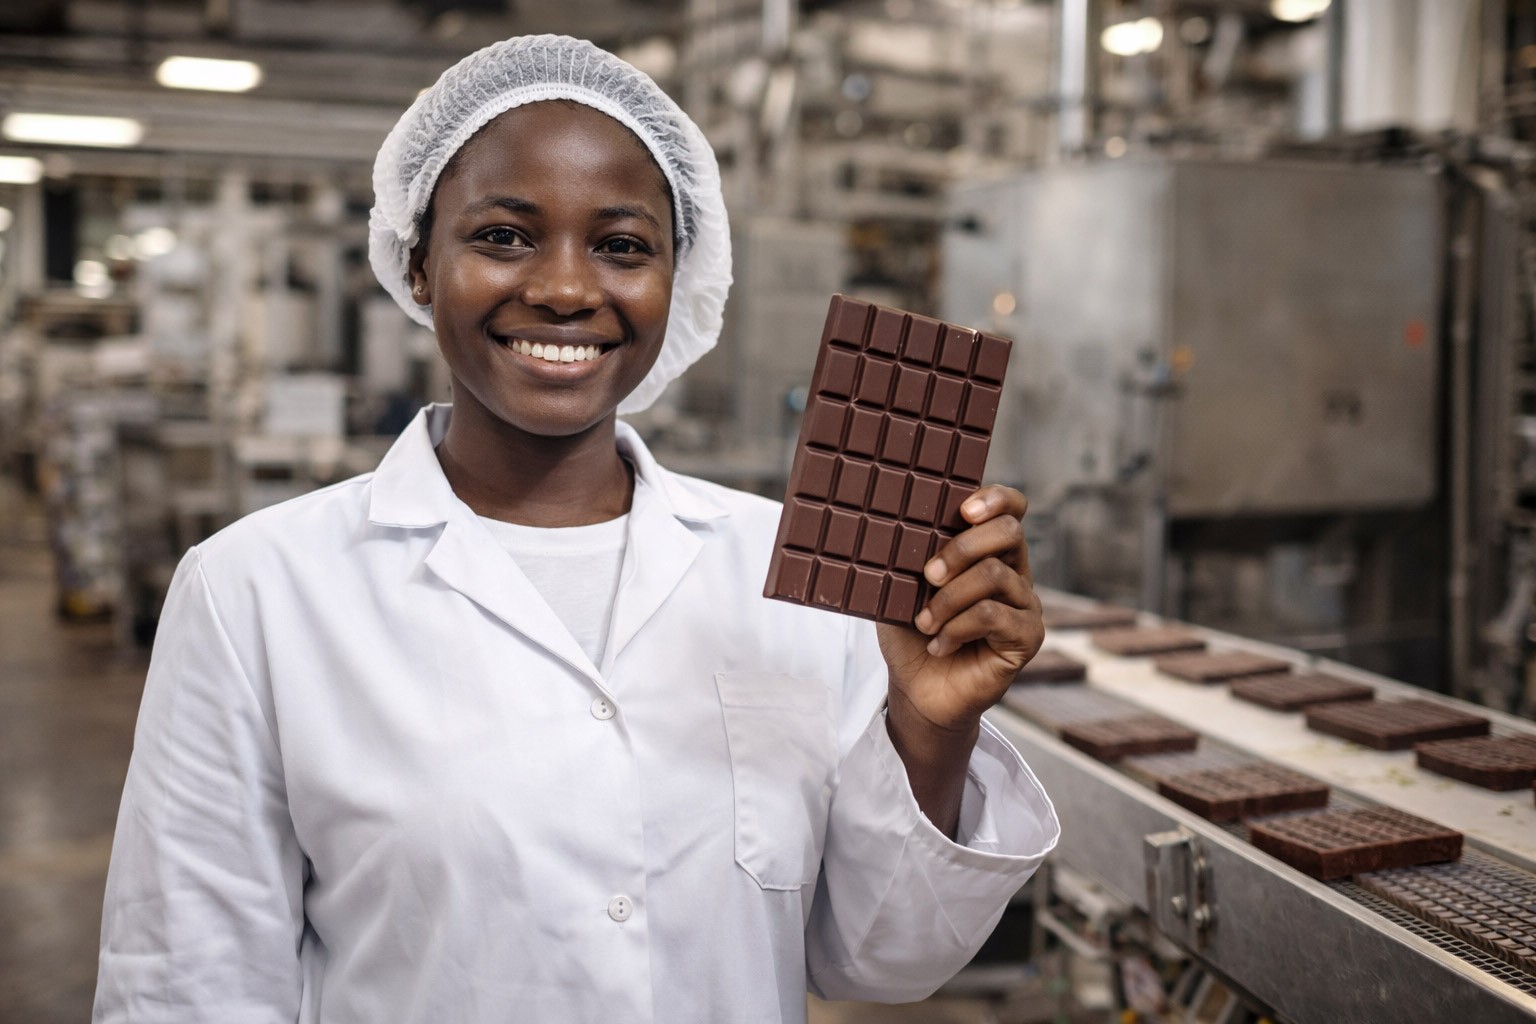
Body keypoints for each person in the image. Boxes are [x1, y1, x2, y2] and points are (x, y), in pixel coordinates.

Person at [93, 34, 1059, 1024]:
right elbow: (186, 989)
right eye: (504, 235)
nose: (564, 287)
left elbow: (877, 961)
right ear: (419, 264)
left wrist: (936, 729)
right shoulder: (257, 591)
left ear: (676, 277)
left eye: (622, 244)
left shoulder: (792, 577)